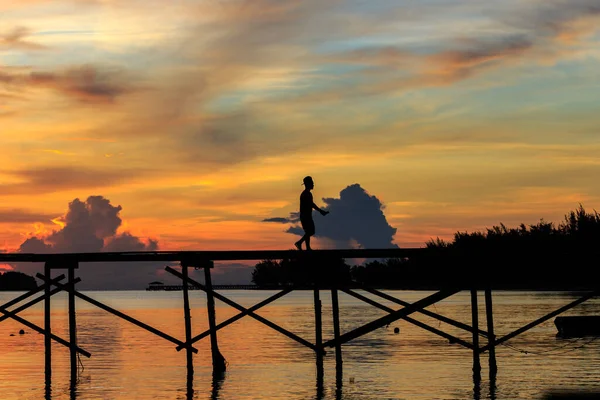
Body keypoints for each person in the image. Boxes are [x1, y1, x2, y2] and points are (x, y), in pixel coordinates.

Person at [295, 176, 329, 250]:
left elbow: (311, 204)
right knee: (311, 231)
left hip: (306, 216)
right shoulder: (306, 194)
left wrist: (321, 211)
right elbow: (311, 204)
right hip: (305, 216)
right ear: (308, 184)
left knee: (309, 231)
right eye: (312, 183)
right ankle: (300, 243)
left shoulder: (307, 193)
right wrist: (321, 211)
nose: (313, 184)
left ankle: (307, 247)